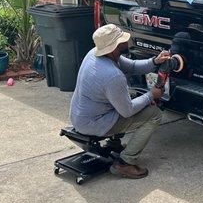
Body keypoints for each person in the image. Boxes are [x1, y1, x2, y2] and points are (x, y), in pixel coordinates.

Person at [70, 24, 170, 179]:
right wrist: (151, 95)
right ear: (114, 47)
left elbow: (133, 66)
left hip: (81, 116)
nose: (126, 41)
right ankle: (124, 163)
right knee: (154, 114)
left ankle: (113, 145)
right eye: (122, 40)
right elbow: (127, 111)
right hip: (93, 124)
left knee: (129, 96)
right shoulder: (112, 76)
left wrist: (155, 61)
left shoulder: (95, 54)